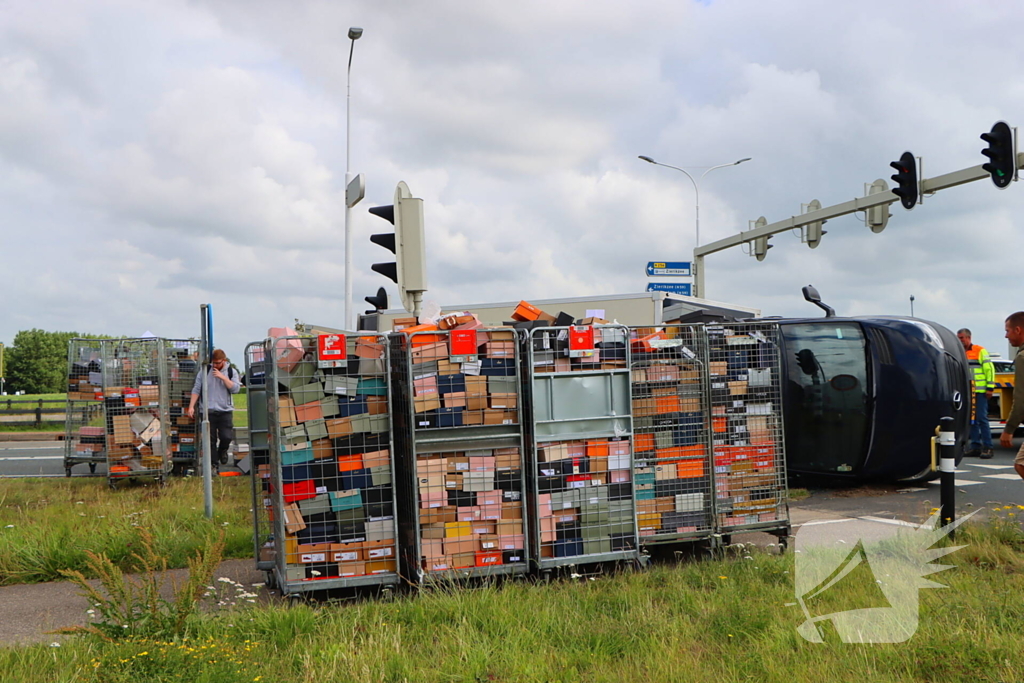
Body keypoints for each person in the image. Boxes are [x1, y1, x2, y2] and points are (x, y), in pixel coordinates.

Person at [187, 349, 241, 465]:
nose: (215, 365)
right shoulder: (204, 371)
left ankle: (223, 450)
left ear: (224, 361)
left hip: (225, 410)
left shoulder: (232, 372)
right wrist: (191, 406)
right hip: (207, 411)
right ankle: (213, 465)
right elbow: (196, 389)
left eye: (218, 363)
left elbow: (236, 389)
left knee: (226, 437)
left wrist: (223, 377)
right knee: (210, 441)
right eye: (213, 363)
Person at [957, 328, 995, 458]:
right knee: (971, 420)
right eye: (959, 338)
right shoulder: (960, 352)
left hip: (980, 391)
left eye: (962, 337)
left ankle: (988, 447)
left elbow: (989, 369)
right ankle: (975, 447)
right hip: (968, 392)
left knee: (981, 419)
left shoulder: (979, 351)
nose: (960, 340)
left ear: (969, 338)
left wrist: (990, 388)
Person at [999, 312, 1024, 480]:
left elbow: (1021, 397)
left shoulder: (1022, 357)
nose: (1006, 335)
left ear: (1018, 329)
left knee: (1021, 464)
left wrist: (1009, 429)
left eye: (1008, 331)